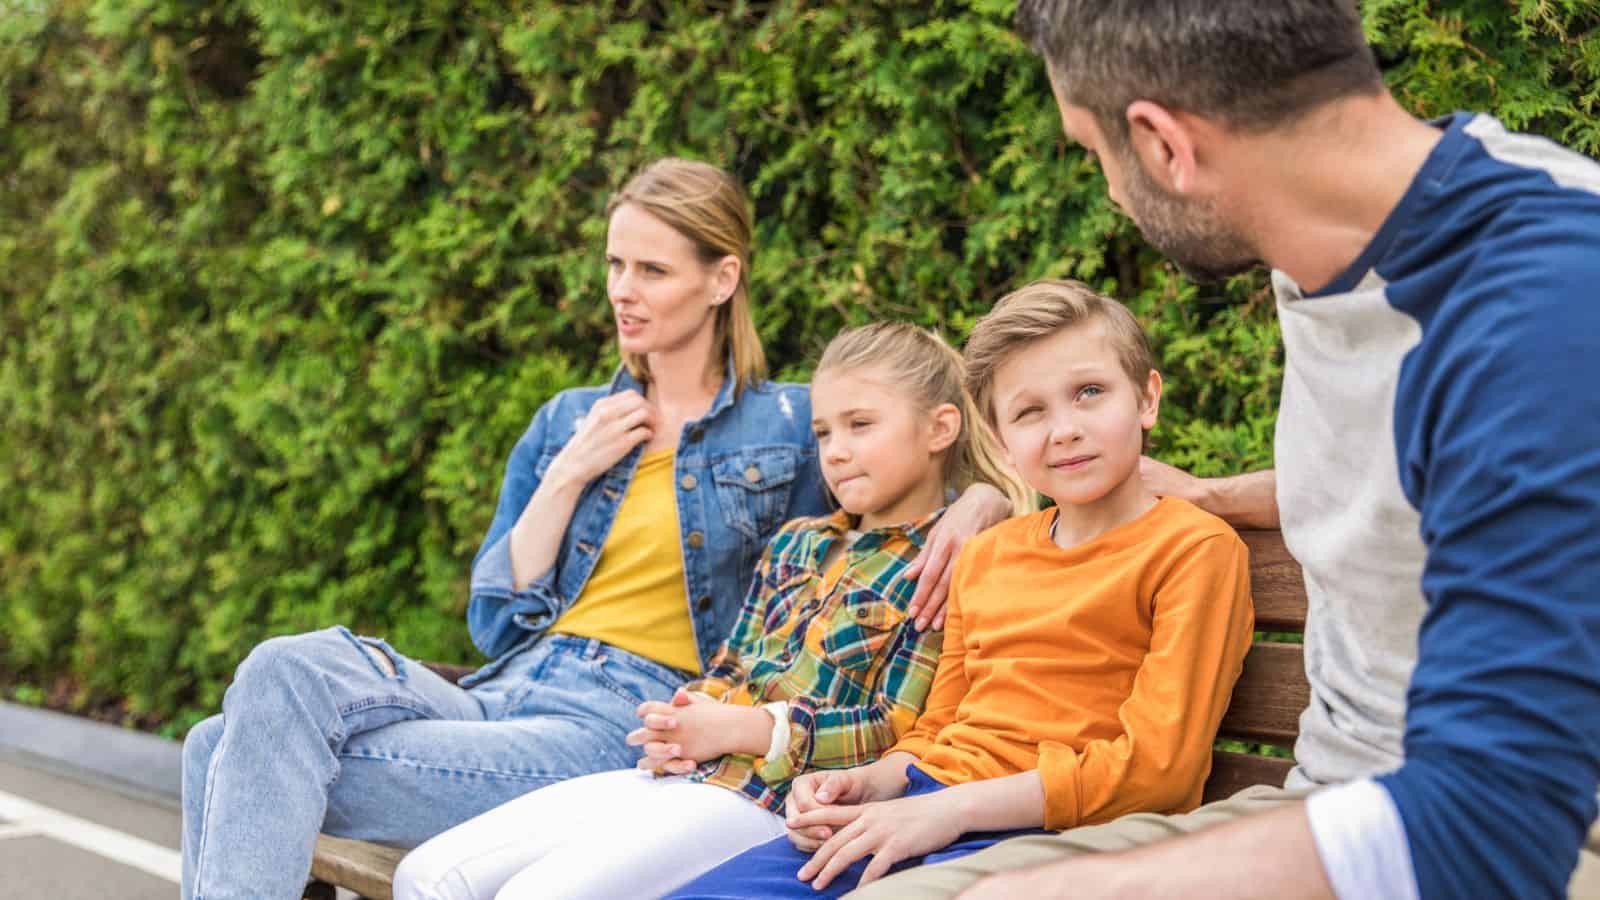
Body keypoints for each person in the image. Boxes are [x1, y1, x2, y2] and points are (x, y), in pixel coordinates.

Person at [851, 3, 1600, 899]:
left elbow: (1497, 816)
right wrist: (1208, 496)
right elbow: (1449, 463)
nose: (1112, 195)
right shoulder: (1324, 247)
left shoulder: (1548, 288)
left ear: (1165, 146)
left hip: (1519, 836)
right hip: (1322, 799)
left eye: (1095, 155)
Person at [178, 159, 1010, 900]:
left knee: (221, 750)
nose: (623, 288)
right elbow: (494, 620)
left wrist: (984, 502)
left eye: (651, 268)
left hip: (619, 714)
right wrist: (570, 472)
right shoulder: (569, 421)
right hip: (501, 689)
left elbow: (916, 465)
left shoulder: (793, 421)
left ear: (723, 279)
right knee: (279, 670)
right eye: (615, 265)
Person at [388, 321, 1034, 899]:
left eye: (861, 425)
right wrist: (682, 719)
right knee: (430, 873)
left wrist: (750, 731)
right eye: (823, 431)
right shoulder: (799, 541)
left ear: (940, 428)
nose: (834, 450)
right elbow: (732, 664)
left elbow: (899, 727)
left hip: (774, 802)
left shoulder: (949, 555)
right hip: (687, 777)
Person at [669, 279, 1256, 898]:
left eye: (1090, 393)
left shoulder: (1193, 550)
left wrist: (950, 810)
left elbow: (1157, 772)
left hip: (1059, 829)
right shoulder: (989, 553)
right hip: (928, 806)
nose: (1064, 430)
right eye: (1031, 412)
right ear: (1001, 438)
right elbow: (939, 727)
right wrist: (872, 779)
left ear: (1147, 398)